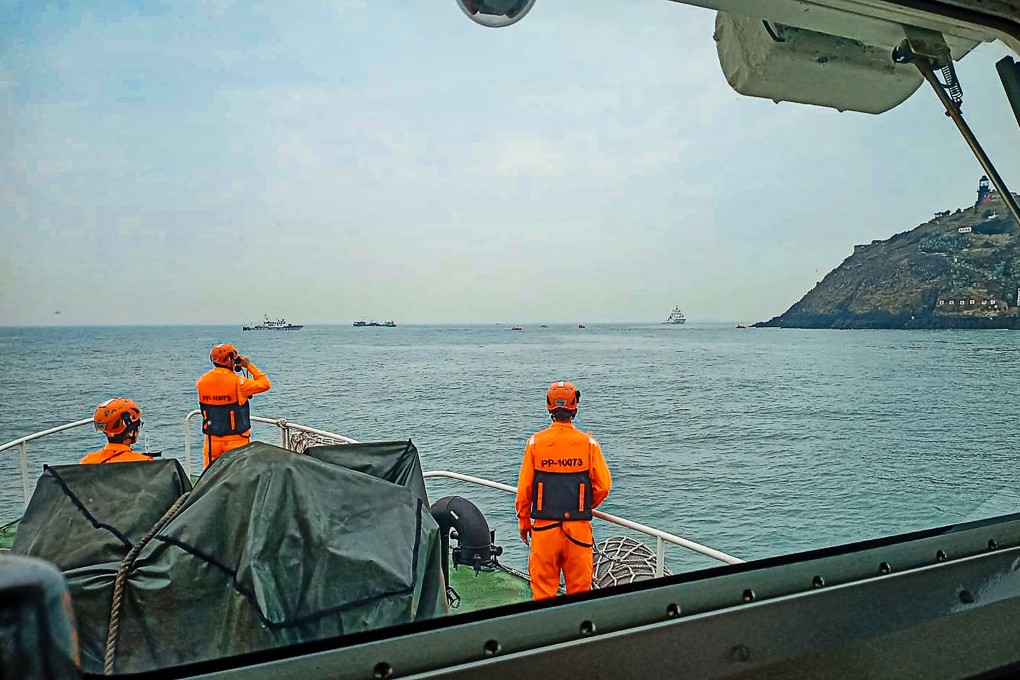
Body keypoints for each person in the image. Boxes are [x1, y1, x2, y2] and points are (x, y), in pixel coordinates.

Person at [515, 380, 612, 600]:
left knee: (543, 594)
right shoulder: (589, 444)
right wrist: (583, 504)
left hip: (544, 532)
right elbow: (603, 486)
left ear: (549, 407)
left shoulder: (535, 443)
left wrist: (524, 523)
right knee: (579, 597)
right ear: (575, 408)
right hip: (577, 533)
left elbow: (524, 491)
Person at [195, 343, 271, 468]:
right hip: (237, 440)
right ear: (230, 359)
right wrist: (248, 366)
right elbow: (265, 384)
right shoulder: (239, 383)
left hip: (211, 440)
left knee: (209, 477)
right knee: (238, 476)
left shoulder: (202, 381)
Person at [80, 398, 153, 464]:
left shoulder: (87, 461)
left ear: (105, 431)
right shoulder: (144, 462)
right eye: (139, 425)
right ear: (131, 432)